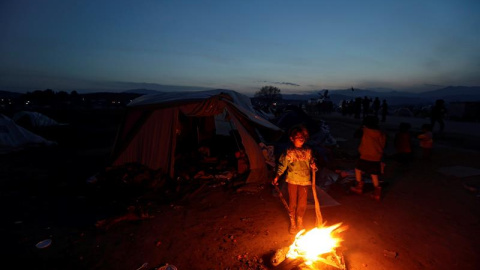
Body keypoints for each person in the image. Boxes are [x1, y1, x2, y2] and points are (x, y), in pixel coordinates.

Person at [272, 125, 317, 234]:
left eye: (302, 136)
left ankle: (299, 221)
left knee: (302, 203)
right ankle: (292, 222)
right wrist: (277, 176)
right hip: (292, 180)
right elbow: (282, 165)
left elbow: (311, 162)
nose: (301, 139)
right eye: (297, 137)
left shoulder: (308, 151)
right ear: (292, 139)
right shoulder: (288, 152)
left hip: (305, 180)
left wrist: (313, 165)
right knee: (292, 202)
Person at [350, 116, 386, 201]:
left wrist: (361, 127)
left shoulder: (365, 131)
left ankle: (359, 187)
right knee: (374, 174)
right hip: (376, 157)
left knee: (358, 169)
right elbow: (384, 144)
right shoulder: (381, 133)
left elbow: (355, 135)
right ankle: (377, 193)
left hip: (365, 156)